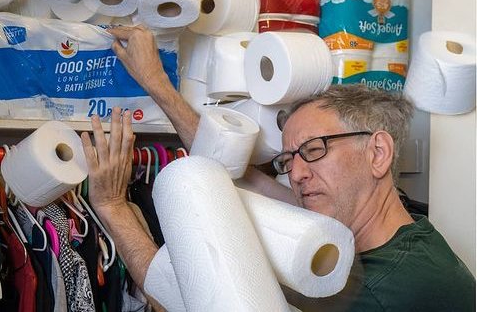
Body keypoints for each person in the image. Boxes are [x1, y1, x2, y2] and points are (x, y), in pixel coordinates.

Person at [81, 25, 475, 311]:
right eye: (289, 160)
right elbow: (246, 177)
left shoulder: (375, 291)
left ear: (377, 153)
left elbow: (192, 295)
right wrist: (158, 85)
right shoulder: (398, 224)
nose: (297, 174)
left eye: (315, 149)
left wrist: (114, 207)